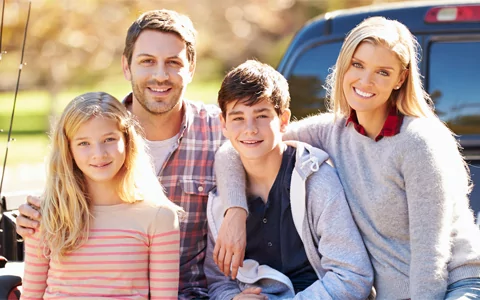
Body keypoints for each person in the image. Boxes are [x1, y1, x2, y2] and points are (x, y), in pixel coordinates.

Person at [214, 17, 480, 299]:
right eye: (358, 65)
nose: (365, 81)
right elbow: (245, 144)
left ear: (400, 79)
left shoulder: (418, 142)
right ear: (344, 66)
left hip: (452, 286)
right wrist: (235, 210)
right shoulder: (334, 131)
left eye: (382, 72)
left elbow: (431, 257)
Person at [15, 10, 246, 299]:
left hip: (198, 292)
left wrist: (236, 208)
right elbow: (68, 184)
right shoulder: (102, 131)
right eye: (147, 61)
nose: (160, 75)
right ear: (126, 66)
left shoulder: (220, 128)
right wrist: (36, 213)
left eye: (173, 62)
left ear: (190, 68)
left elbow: (277, 143)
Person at [204, 60, 373, 300]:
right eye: (238, 118)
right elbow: (219, 281)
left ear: (283, 120)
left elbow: (352, 276)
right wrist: (232, 298)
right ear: (224, 124)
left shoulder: (316, 182)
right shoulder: (221, 202)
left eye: (262, 116)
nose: (250, 129)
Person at [20, 92, 181, 299]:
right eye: (84, 143)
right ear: (69, 149)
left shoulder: (160, 216)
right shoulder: (45, 213)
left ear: (127, 140)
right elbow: (30, 296)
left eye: (109, 139)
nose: (99, 153)